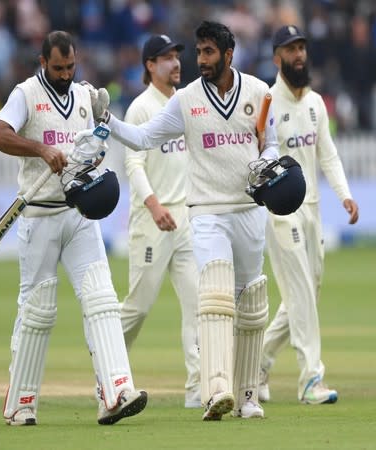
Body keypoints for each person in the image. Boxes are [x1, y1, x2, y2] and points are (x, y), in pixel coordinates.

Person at [93, 21, 285, 421]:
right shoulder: (186, 100)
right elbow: (144, 138)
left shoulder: (259, 93)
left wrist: (267, 165)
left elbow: (272, 144)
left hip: (249, 210)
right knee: (213, 293)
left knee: (250, 303)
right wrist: (107, 121)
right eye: (198, 52)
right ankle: (215, 390)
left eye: (208, 52)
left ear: (228, 54)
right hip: (207, 212)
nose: (200, 60)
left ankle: (247, 394)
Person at [0, 30, 147, 426]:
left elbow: (96, 144)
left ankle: (115, 391)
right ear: (43, 62)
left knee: (101, 298)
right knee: (38, 310)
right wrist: (41, 149)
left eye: (70, 67)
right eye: (57, 68)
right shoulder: (25, 94)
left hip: (77, 214)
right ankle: (21, 403)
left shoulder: (85, 97)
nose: (64, 74)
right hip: (39, 214)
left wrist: (92, 155)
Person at [258, 25, 359, 405]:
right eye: (290, 49)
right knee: (300, 292)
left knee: (305, 296)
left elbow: (327, 154)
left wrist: (345, 195)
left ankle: (257, 364)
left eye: (301, 47)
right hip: (281, 212)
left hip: (313, 210)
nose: (298, 55)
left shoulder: (316, 103)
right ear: (276, 58)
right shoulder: (266, 102)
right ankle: (310, 378)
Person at [119, 34, 201, 409]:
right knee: (138, 307)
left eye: (176, 56)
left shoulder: (185, 103)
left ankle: (199, 388)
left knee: (198, 304)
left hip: (186, 219)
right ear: (150, 65)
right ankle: (110, 374)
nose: (175, 63)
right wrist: (154, 205)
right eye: (166, 58)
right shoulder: (140, 108)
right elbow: (132, 164)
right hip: (152, 221)